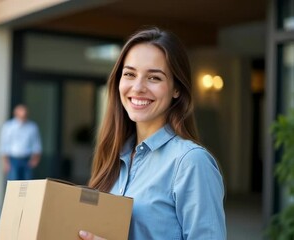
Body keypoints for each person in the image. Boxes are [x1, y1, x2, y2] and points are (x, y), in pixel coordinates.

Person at [78, 27, 226, 239]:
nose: (138, 87)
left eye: (154, 78)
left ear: (177, 89)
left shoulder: (191, 162)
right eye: (129, 74)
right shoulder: (114, 157)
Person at [0, 104, 42, 181]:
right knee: (13, 183)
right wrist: (5, 163)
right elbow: (4, 145)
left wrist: (35, 159)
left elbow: (36, 144)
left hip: (27, 159)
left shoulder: (32, 127)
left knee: (27, 183)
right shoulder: (9, 126)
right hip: (13, 159)